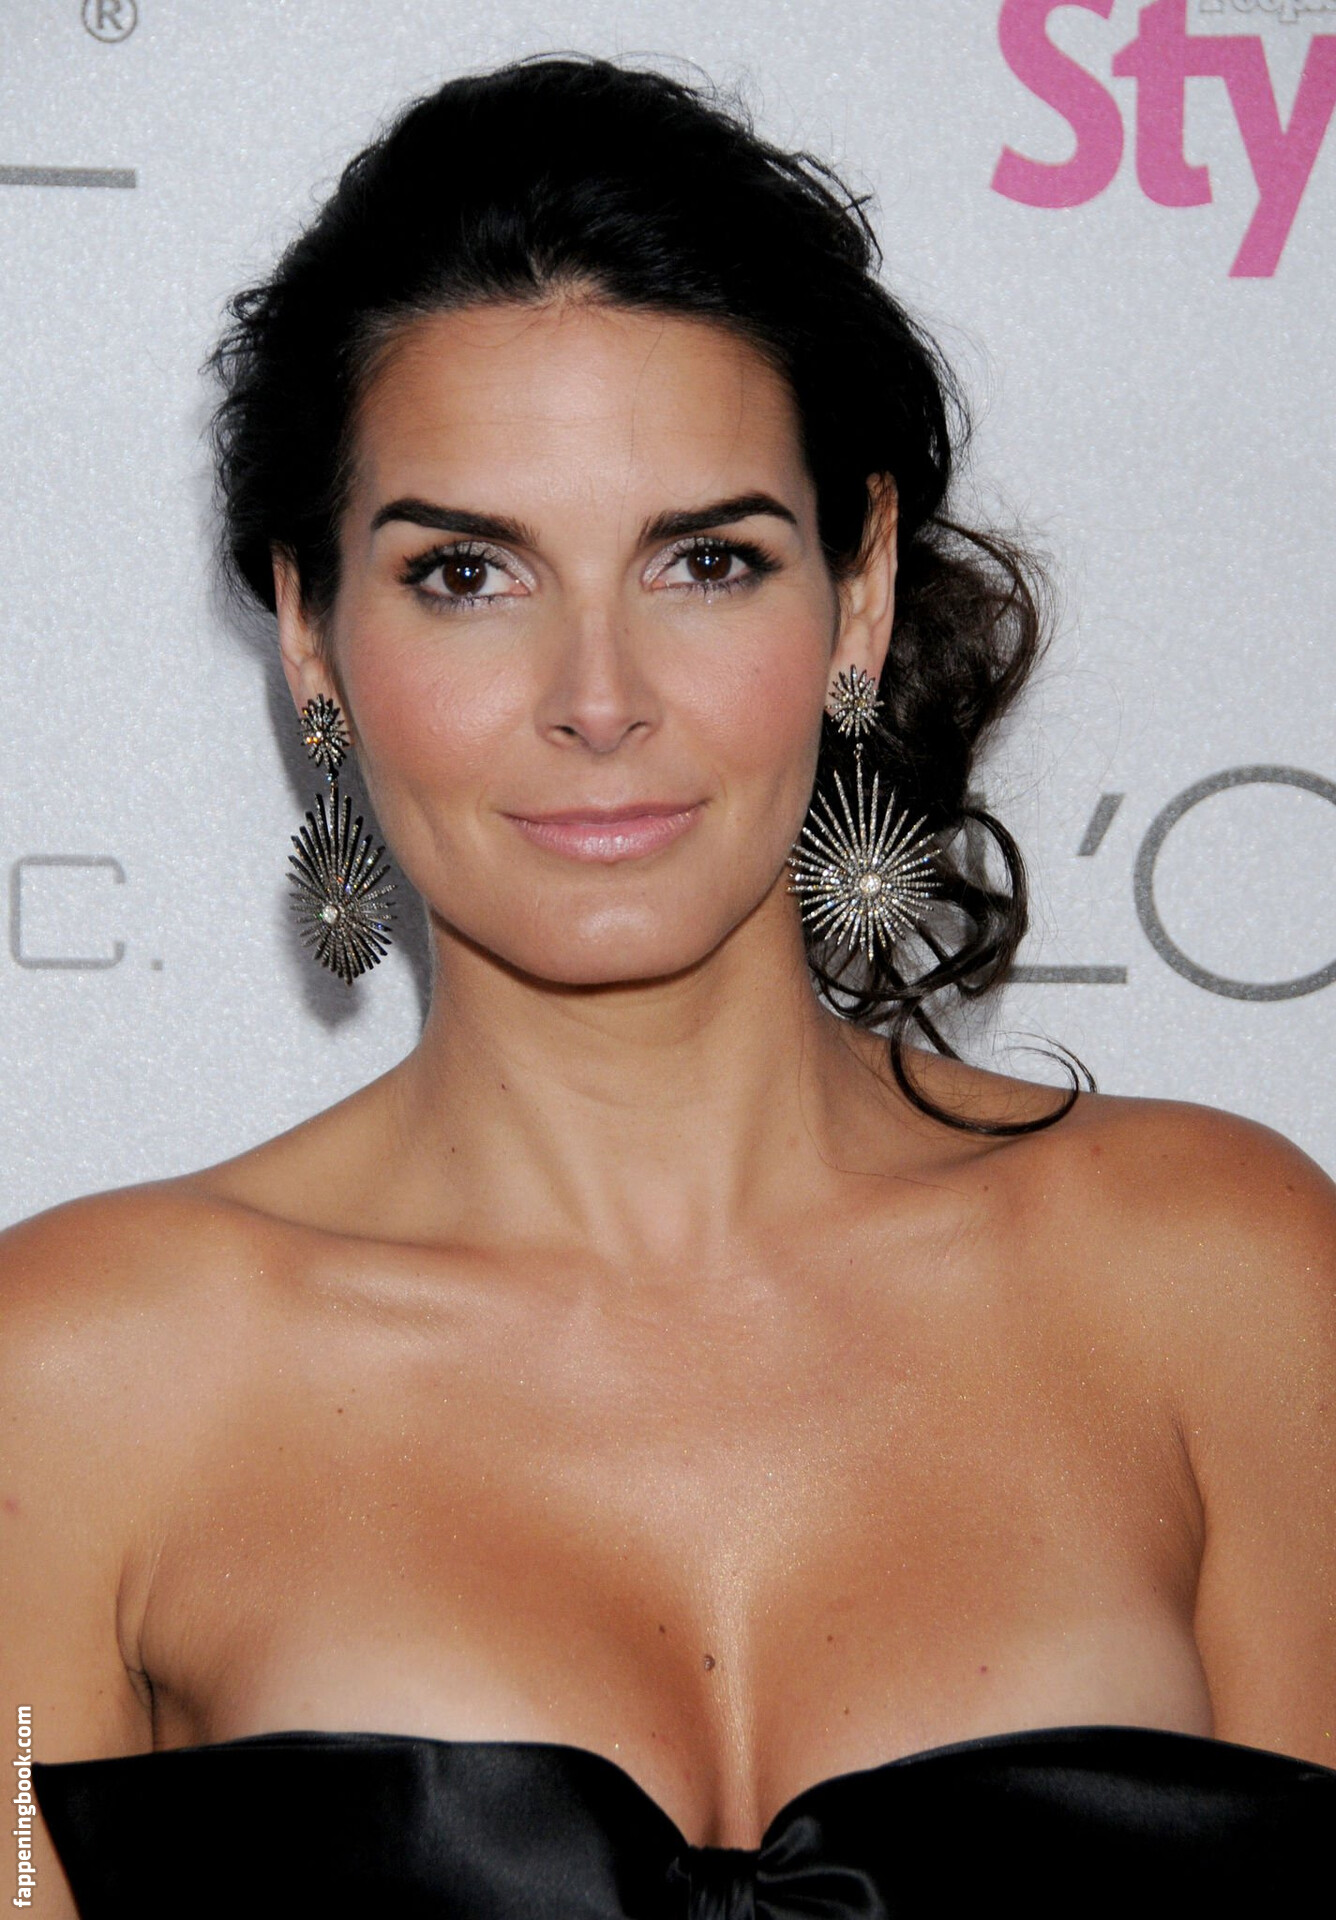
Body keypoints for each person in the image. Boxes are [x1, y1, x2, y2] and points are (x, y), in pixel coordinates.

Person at [7, 55, 1335, 1919]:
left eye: (708, 560)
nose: (600, 697)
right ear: (309, 629)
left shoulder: (1225, 1279)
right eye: (467, 573)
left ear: (858, 592)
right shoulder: (73, 1380)